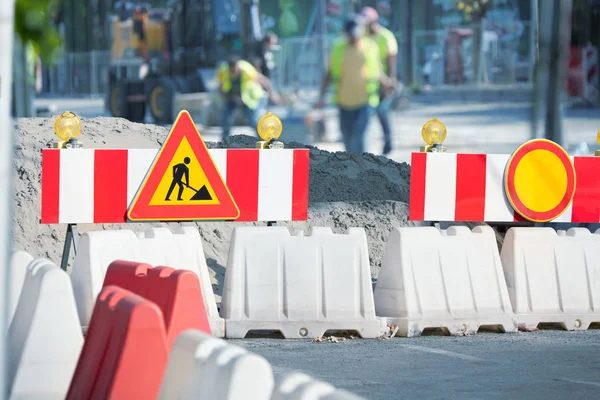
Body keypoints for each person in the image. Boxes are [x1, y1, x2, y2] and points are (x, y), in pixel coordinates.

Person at [316, 16, 391, 153]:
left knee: (359, 138)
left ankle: (360, 170)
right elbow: (329, 73)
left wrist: (386, 82)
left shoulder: (369, 47)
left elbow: (377, 69)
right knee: (348, 138)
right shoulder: (339, 48)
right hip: (344, 101)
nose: (354, 38)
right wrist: (321, 96)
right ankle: (350, 169)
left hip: (365, 100)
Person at [360, 7, 398, 155]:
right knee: (365, 114)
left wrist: (391, 80)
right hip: (368, 82)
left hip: (383, 82)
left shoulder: (385, 36)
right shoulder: (362, 37)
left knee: (382, 112)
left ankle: (388, 142)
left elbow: (392, 59)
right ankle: (364, 147)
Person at [217, 55, 280, 140]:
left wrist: (272, 94)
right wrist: (224, 97)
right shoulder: (223, 70)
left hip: (247, 99)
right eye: (231, 71)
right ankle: (224, 139)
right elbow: (220, 85)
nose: (233, 73)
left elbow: (262, 79)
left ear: (237, 67)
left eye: (234, 70)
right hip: (232, 97)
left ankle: (264, 139)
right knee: (226, 119)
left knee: (253, 121)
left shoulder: (247, 70)